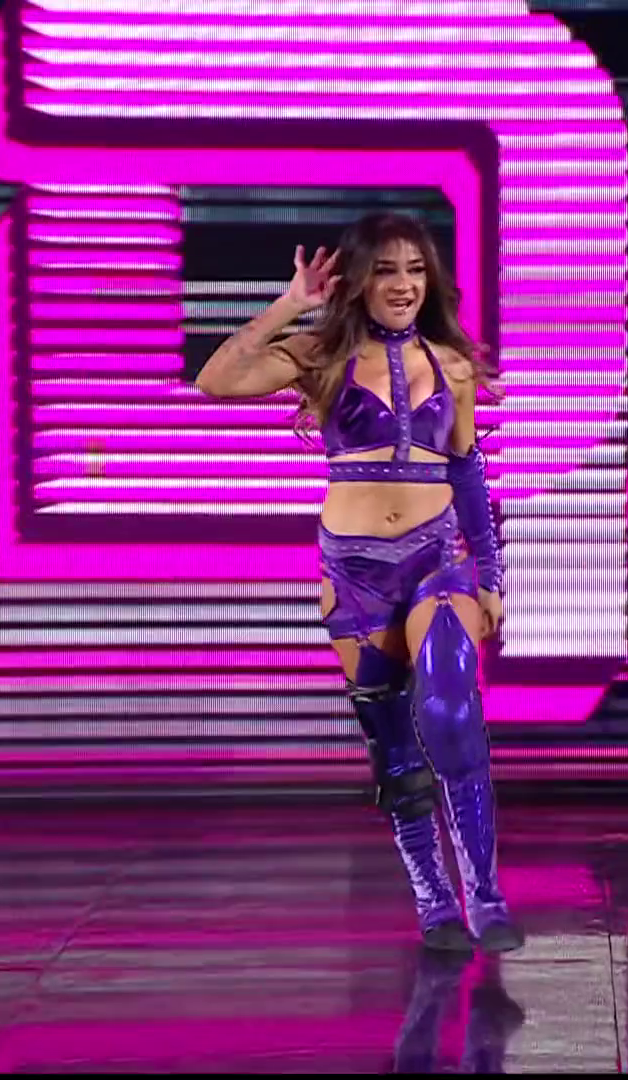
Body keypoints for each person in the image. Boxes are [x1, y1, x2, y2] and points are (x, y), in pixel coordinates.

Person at [195, 211, 520, 955]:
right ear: (358, 281)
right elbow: (216, 380)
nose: (404, 285)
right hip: (354, 576)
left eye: (416, 270)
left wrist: (492, 574)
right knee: (396, 751)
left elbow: (468, 472)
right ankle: (435, 904)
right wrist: (290, 305)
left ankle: (486, 894)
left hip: (437, 560)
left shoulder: (453, 365)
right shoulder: (321, 354)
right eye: (386, 270)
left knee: (450, 707)